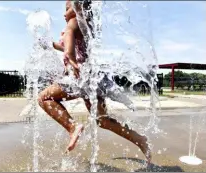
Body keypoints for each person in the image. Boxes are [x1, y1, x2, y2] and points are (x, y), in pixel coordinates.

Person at [38, 0, 151, 163]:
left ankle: (72, 127)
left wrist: (69, 56)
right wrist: (51, 45)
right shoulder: (85, 24)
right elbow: (65, 44)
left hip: (80, 76)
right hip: (92, 78)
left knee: (44, 98)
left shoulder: (74, 21)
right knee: (102, 120)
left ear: (79, 7)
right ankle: (139, 139)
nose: (65, 13)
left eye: (68, 8)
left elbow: (69, 34)